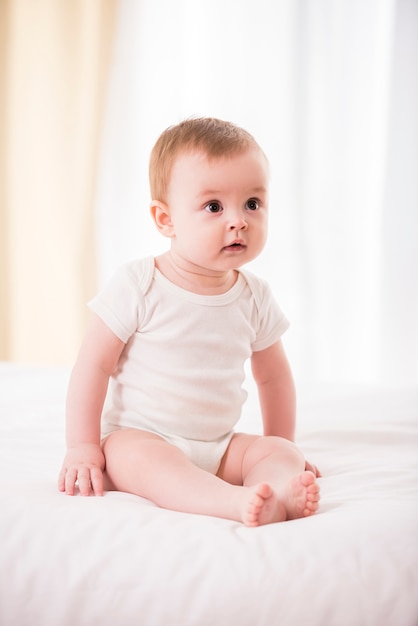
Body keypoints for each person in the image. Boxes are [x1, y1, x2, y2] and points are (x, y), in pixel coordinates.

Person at [58, 117, 320, 526]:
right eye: (214, 207)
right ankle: (234, 503)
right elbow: (93, 365)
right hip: (141, 438)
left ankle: (276, 488)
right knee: (149, 461)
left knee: (282, 452)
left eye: (252, 203)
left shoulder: (254, 295)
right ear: (166, 220)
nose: (239, 220)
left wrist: (281, 444)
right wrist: (82, 447)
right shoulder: (139, 284)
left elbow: (273, 377)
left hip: (217, 446)